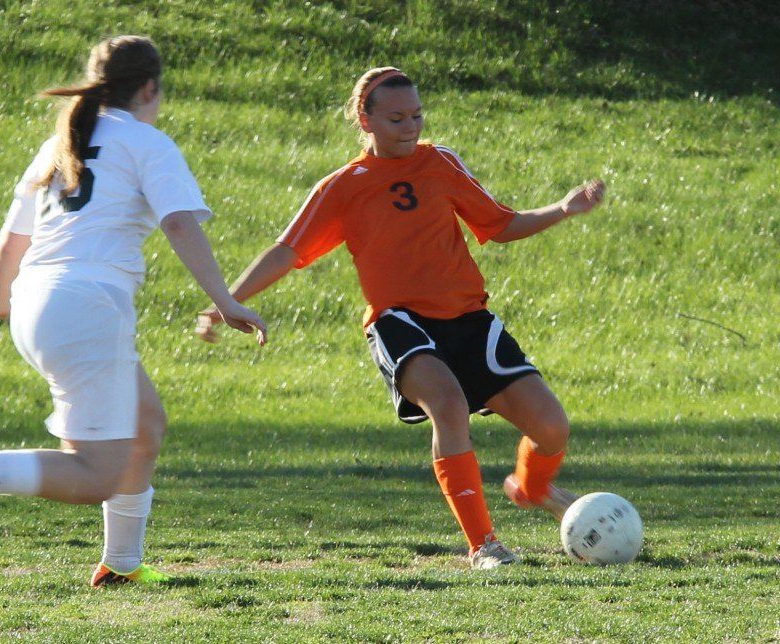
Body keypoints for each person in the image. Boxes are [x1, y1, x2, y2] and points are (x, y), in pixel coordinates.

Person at [197, 67, 605, 569]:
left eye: (416, 115)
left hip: (469, 319)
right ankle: (484, 545)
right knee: (449, 405)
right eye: (396, 118)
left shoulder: (441, 163)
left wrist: (563, 208)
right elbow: (287, 251)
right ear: (365, 119)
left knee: (553, 428)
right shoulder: (342, 187)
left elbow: (500, 225)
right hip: (399, 322)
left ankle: (532, 487)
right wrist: (225, 301)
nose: (410, 127)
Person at [0, 35, 266, 587]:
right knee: (96, 475)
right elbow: (177, 222)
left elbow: (11, 240)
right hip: (86, 306)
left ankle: (122, 564)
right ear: (150, 88)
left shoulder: (60, 144)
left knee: (145, 425)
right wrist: (225, 299)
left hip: (35, 300)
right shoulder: (146, 142)